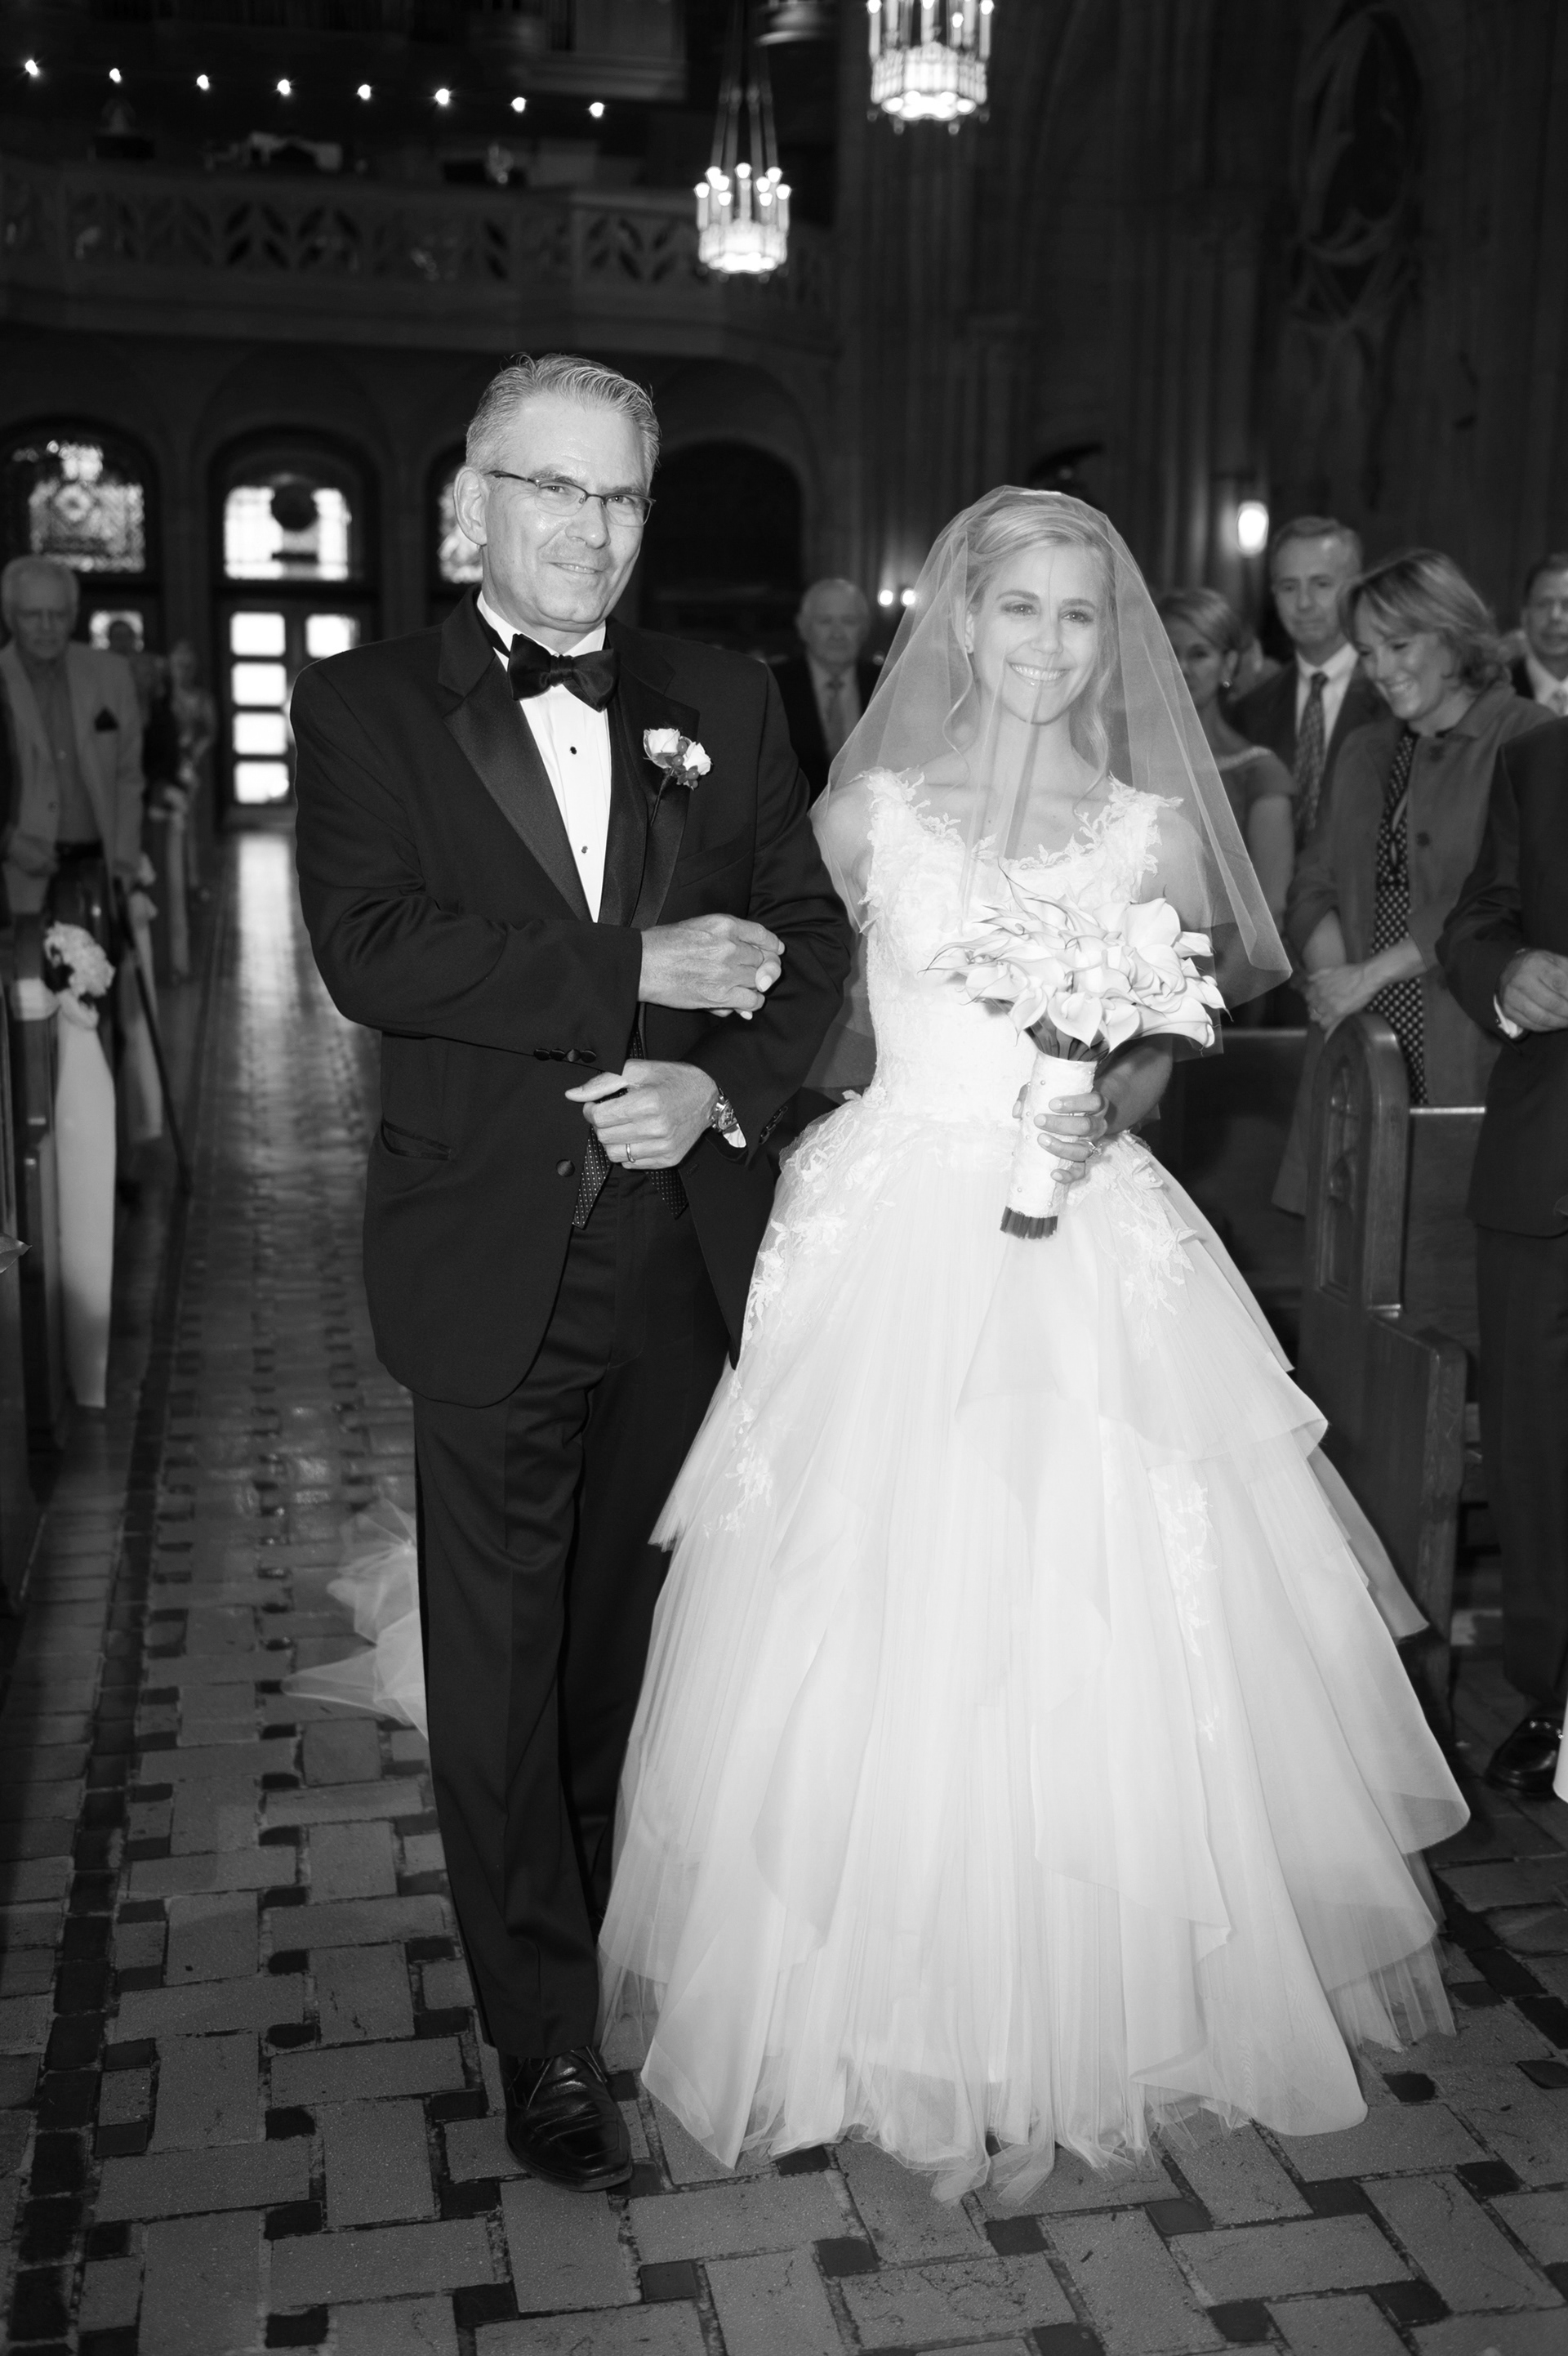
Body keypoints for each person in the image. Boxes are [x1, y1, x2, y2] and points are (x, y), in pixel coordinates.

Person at [599, 489, 1466, 2201]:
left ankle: (1095, 1990)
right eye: (1023, 613)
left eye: (1084, 618)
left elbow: (1164, 1043)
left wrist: (1106, 1103)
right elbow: (795, 1009)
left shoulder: (1153, 826)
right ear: (964, 620)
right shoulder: (865, 815)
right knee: (877, 1595)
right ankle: (867, 1994)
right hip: (895, 1219)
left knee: (1099, 1595)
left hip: (1085, 1225)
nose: (1053, 648)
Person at [292, 352, 851, 2196]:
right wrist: (633, 975)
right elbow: (375, 946)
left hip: (681, 1249)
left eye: (619, 499)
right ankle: (539, 2036)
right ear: (473, 505)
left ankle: (596, 1928)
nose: (589, 532)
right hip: (487, 1246)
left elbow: (811, 940)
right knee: (501, 1661)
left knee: (623, 1649)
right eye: (553, 491)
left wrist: (719, 1082)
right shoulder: (368, 700)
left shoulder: (725, 695)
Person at [1276, 549, 1552, 1212]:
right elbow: (1313, 878)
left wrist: (1370, 976)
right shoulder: (1366, 748)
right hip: (1357, 1032)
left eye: (1398, 645)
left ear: (1453, 635)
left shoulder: (1527, 735)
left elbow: (1501, 892)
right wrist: (1337, 982)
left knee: (1447, 1245)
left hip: (1468, 1031)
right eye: (1368, 652)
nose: (1381, 670)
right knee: (1351, 1249)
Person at [1439, 719, 1568, 1800]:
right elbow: (1476, 921)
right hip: (1549, 1167)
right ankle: (1555, 1699)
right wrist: (1508, 969)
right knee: (1538, 1457)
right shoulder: (1542, 756)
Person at [0, 557, 144, 927]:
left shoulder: (111, 673)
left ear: (75, 613)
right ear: (9, 616)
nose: (47, 627)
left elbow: (128, 777)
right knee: (28, 982)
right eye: (33, 615)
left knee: (97, 980)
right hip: (17, 872)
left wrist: (125, 863)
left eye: (58, 614)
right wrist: (9, 842)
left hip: (99, 869)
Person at [1231, 516, 1382, 846]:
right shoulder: (1249, 712)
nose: (1303, 603)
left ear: (1356, 589)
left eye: (1321, 584)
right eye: (1288, 587)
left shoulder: (1393, 698)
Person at [1157, 587, 1294, 920]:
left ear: (1228, 664)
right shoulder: (1117, 759)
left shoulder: (1261, 773)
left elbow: (1271, 907)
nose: (1183, 667)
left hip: (1222, 963)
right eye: (1171, 653)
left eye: (1199, 654)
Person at [773, 578, 880, 801]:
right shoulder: (772, 687)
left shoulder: (887, 683)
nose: (837, 633)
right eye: (825, 621)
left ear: (865, 628)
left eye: (849, 621)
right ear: (802, 627)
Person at [1509, 554, 1568, 716]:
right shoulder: (1496, 693)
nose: (1555, 616)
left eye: (1567, 605)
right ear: (1524, 616)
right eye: (1543, 604)